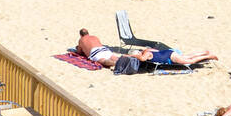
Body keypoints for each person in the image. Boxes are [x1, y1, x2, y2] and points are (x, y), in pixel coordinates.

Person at [75, 29, 217, 70]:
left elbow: (80, 52)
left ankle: (206, 55)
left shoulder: (81, 41)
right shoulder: (95, 37)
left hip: (170, 57)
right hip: (104, 49)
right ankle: (205, 53)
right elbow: (149, 51)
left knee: (189, 60)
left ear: (82, 35)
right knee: (111, 58)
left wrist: (136, 56)